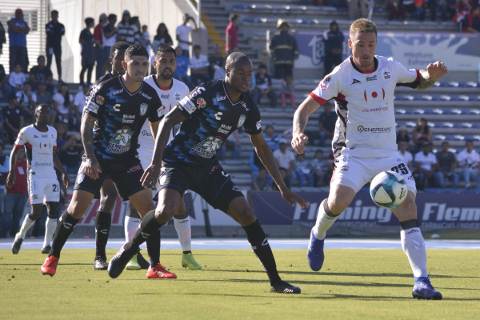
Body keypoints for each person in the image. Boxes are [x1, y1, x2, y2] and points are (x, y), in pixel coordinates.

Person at [108, 52, 308, 294]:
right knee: (164, 211)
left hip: (207, 168)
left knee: (245, 212)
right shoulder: (208, 93)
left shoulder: (247, 106)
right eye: (241, 73)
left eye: (250, 74)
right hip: (177, 163)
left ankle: (276, 281)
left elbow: (261, 147)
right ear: (228, 72)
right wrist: (157, 161)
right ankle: (129, 249)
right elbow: (169, 120)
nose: (247, 79)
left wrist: (282, 187)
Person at [291, 18, 447, 299]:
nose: (366, 50)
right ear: (349, 44)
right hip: (354, 153)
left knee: (409, 208)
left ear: (377, 45)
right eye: (360, 44)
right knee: (338, 201)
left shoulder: (389, 67)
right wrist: (297, 133)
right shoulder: (340, 75)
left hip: (387, 154)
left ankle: (421, 281)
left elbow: (419, 81)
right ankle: (318, 233)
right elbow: (304, 109)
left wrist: (431, 76)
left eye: (371, 44)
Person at [40, 44, 163, 277]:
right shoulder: (105, 89)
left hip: (127, 160)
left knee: (149, 210)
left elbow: (158, 131)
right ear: (124, 64)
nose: (140, 68)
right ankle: (52, 257)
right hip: (98, 157)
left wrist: (157, 162)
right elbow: (86, 124)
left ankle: (155, 266)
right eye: (135, 63)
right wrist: (89, 158)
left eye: (144, 64)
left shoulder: (149, 95)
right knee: (77, 207)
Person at [131, 44, 201, 271]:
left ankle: (187, 255)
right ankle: (132, 254)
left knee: (179, 205)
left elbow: (190, 120)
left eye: (172, 61)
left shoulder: (183, 87)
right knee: (138, 203)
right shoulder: (144, 84)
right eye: (164, 61)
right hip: (141, 149)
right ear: (155, 62)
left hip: (169, 152)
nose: (168, 65)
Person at [88, 41, 150, 270]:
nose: (118, 62)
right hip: (103, 151)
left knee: (138, 203)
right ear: (115, 61)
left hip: (127, 152)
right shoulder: (103, 85)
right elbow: (90, 118)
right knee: (109, 197)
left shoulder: (138, 86)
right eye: (116, 58)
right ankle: (99, 255)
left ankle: (132, 251)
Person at [8, 104, 69, 254]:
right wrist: (12, 172)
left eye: (47, 112)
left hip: (51, 174)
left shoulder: (53, 132)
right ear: (36, 113)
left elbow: (54, 155)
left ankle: (47, 244)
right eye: (42, 112)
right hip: (35, 174)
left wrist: (63, 172)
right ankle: (20, 236)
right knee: (36, 212)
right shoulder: (27, 131)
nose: (45, 114)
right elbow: (14, 152)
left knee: (54, 209)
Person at [45, 10, 65, 81]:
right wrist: (56, 32)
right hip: (50, 46)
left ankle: (60, 77)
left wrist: (54, 32)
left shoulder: (61, 25)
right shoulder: (48, 25)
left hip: (57, 46)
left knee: (58, 61)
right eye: (53, 15)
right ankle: (47, 76)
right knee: (49, 61)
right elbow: (49, 33)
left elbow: (62, 33)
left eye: (55, 15)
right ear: (51, 16)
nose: (54, 17)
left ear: (57, 16)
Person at [79, 17, 95, 85]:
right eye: (92, 22)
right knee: (84, 67)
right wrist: (87, 44)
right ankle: (81, 82)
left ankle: (88, 81)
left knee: (90, 67)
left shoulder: (90, 32)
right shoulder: (84, 31)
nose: (93, 24)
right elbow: (80, 41)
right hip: (86, 53)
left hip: (90, 53)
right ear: (89, 23)